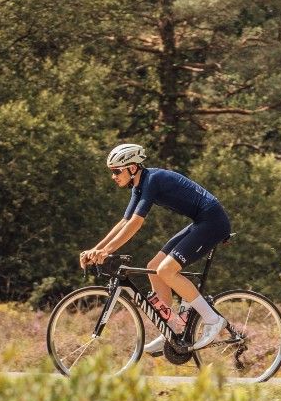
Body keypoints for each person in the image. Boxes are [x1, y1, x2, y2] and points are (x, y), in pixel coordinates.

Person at [80, 143, 232, 352]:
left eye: (116, 171)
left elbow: (135, 223)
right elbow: (124, 222)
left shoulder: (152, 180)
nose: (113, 176)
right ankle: (172, 330)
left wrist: (106, 251)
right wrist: (96, 249)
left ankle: (212, 319)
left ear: (133, 168)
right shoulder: (139, 186)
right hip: (200, 221)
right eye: (111, 172)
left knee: (166, 270)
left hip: (213, 221)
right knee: (154, 267)